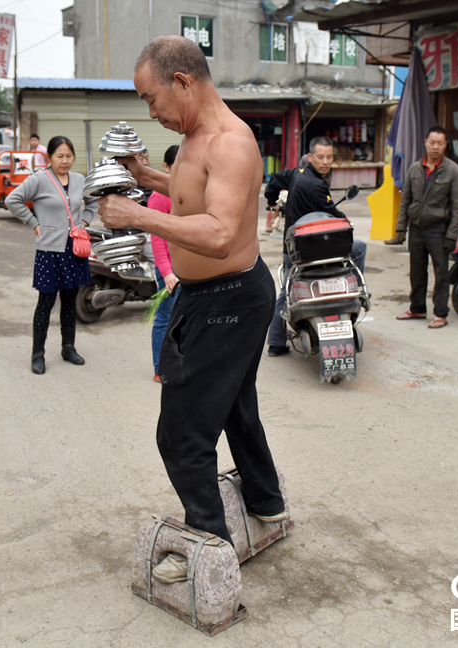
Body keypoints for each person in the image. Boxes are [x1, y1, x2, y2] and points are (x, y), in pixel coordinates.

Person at [97, 35, 286, 584]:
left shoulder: (229, 142)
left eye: (151, 99)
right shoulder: (198, 138)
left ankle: (211, 548)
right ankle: (267, 501)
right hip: (221, 296)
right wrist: (144, 177)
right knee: (233, 406)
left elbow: (222, 232)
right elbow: (189, 193)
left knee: (181, 436)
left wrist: (136, 217)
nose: (151, 112)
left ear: (182, 82)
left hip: (227, 298)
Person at [264, 136, 368, 356]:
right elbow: (333, 214)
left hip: (292, 249)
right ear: (310, 157)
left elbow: (274, 179)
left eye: (329, 157)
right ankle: (355, 292)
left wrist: (271, 200)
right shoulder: (317, 186)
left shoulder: (296, 174)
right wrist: (345, 221)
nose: (325, 161)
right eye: (320, 157)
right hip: (315, 251)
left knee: (285, 291)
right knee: (359, 248)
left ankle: (275, 342)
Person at [6, 135, 95, 375]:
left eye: (69, 156)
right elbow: (12, 199)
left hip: (74, 251)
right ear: (49, 157)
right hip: (49, 252)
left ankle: (68, 348)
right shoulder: (39, 180)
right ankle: (38, 354)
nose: (65, 161)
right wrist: (32, 222)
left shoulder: (79, 180)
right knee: (45, 303)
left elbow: (94, 201)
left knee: (70, 302)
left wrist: (85, 220)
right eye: (60, 156)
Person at [393, 125, 458, 329]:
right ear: (425, 142)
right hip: (416, 228)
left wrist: (452, 234)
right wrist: (401, 228)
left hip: (439, 229)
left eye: (440, 143)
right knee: (417, 271)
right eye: (432, 142)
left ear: (445, 145)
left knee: (441, 273)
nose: (435, 147)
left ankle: (440, 313)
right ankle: (417, 308)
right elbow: (405, 199)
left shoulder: (453, 171)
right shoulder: (415, 169)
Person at [147, 144, 180, 381]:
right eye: (176, 164)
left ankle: (180, 362)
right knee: (165, 318)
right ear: (166, 167)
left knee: (184, 319)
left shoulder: (190, 192)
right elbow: (157, 241)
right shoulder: (159, 197)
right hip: (169, 270)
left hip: (188, 267)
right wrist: (167, 272)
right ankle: (160, 368)